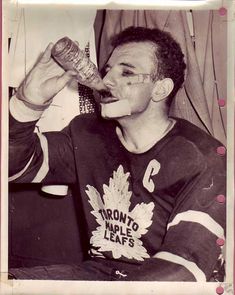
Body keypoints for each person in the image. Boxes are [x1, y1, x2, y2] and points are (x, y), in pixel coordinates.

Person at [9, 26, 226, 281]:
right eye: (107, 70)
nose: (107, 81)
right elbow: (13, 168)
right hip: (101, 274)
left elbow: (184, 268)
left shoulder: (203, 156)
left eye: (127, 72)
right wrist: (27, 103)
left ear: (160, 89)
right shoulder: (87, 132)